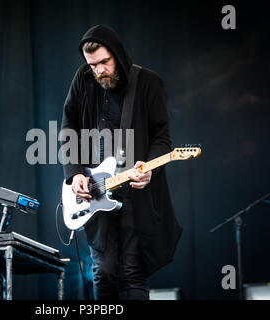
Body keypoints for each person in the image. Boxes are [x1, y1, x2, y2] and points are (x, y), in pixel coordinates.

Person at [61, 24, 183, 300]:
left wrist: (149, 168)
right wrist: (75, 172)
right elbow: (69, 127)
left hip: (135, 194)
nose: (99, 70)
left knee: (132, 273)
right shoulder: (83, 79)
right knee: (102, 273)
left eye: (105, 62)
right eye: (93, 65)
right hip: (95, 188)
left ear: (117, 54)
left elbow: (162, 138)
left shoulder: (147, 83)